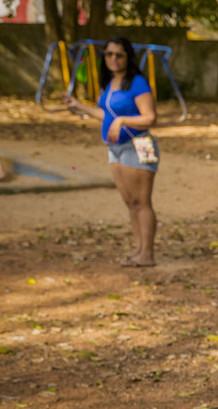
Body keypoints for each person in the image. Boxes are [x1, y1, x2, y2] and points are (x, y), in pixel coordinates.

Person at [63, 37, 159, 267]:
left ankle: (147, 254)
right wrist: (78, 105)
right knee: (130, 202)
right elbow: (106, 114)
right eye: (108, 54)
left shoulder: (137, 83)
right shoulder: (111, 82)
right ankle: (138, 249)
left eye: (118, 54)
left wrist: (122, 120)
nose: (113, 59)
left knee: (142, 202)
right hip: (114, 148)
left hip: (138, 145)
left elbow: (149, 118)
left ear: (128, 57)